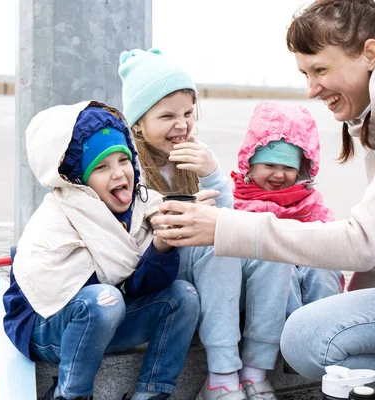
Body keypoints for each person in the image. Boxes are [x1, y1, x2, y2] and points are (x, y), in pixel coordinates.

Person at [151, 1, 375, 398]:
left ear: (370, 54)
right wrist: (347, 309)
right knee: (307, 335)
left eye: (320, 69)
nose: (311, 88)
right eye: (305, 73)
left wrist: (226, 226)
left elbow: (363, 242)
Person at [3, 101, 200, 400]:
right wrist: (128, 281)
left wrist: (161, 247)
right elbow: (102, 294)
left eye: (123, 160)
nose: (120, 173)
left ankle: (151, 393)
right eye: (102, 167)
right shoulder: (59, 217)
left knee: (183, 297)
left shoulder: (142, 206)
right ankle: (70, 394)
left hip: (107, 320)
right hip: (48, 328)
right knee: (104, 300)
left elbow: (137, 287)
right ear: (79, 179)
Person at [119, 48, 286, 400]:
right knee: (216, 239)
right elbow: (146, 230)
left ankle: (255, 371)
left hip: (210, 275)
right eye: (166, 116)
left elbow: (228, 213)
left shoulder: (196, 154)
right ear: (137, 122)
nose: (181, 125)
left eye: (187, 113)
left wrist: (212, 175)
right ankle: (222, 376)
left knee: (267, 242)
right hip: (161, 276)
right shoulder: (127, 165)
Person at [231, 100, 343, 319]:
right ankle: (286, 333)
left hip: (305, 267)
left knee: (323, 269)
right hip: (258, 289)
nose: (279, 175)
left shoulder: (309, 202)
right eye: (270, 166)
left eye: (288, 168)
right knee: (280, 268)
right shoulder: (238, 201)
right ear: (251, 165)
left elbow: (332, 237)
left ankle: (322, 325)